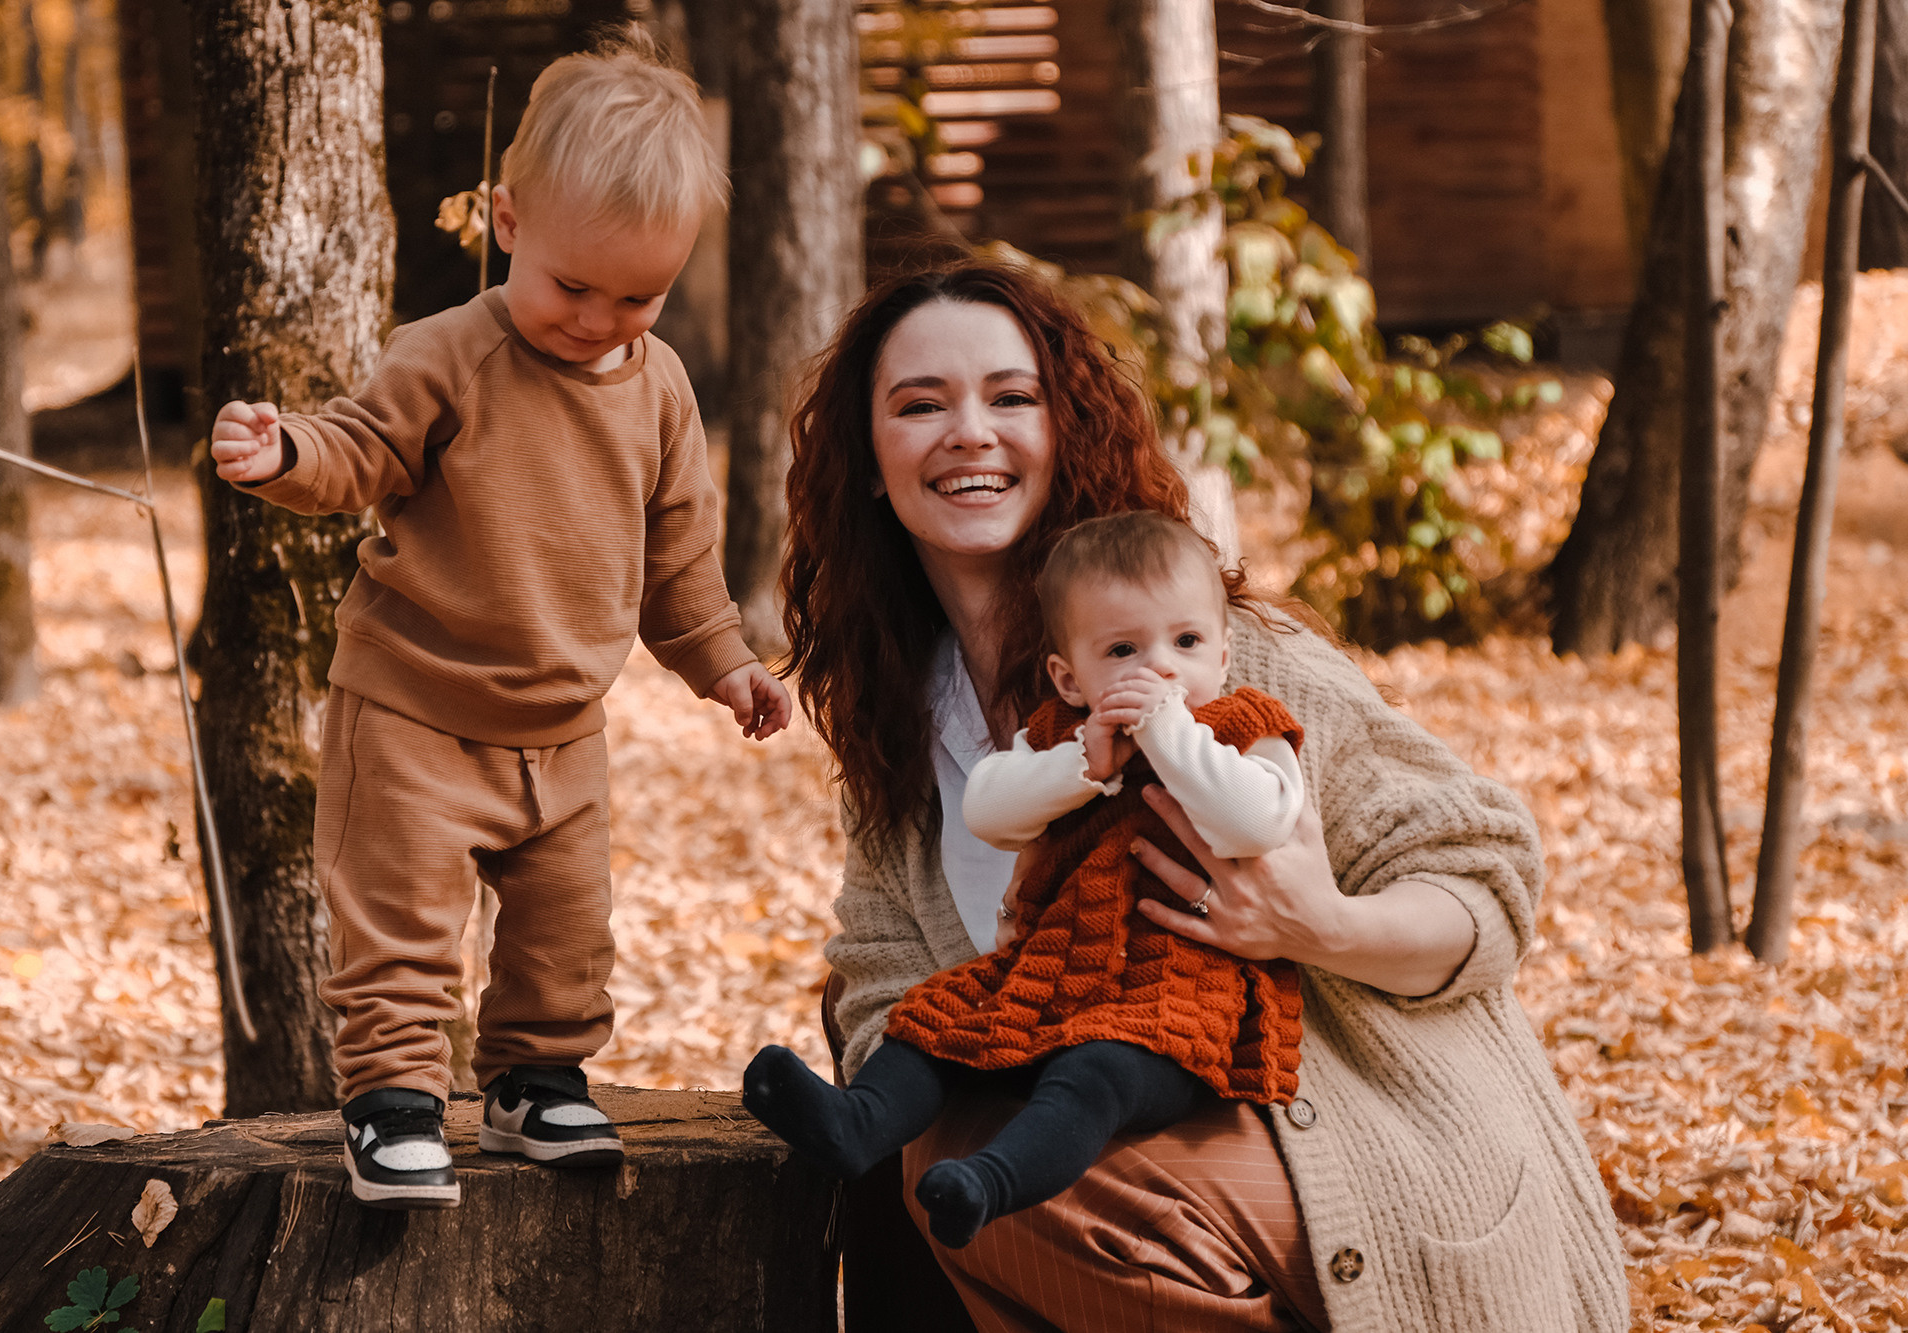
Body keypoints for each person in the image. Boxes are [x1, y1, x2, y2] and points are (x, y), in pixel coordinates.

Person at [777, 258, 1629, 1331]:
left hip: (1361, 1141)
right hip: (1119, 1140)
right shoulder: (902, 734)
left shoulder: (1225, 666)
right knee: (969, 1165)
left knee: (1033, 1189)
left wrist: (1317, 923)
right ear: (869, 461)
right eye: (919, 406)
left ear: (1062, 428)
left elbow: (1484, 879)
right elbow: (872, 986)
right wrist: (1010, 978)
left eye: (1009, 396)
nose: (969, 432)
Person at [208, 32, 791, 1210]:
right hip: (416, 703)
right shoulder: (450, 356)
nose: (598, 319)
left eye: (639, 295)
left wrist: (723, 661)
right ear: (509, 223)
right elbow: (359, 448)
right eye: (574, 287)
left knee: (565, 930)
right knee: (404, 924)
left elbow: (677, 556)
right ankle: (393, 1101)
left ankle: (535, 1079)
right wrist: (282, 453)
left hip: (564, 723)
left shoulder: (660, 386)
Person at [745, 510, 1310, 1249]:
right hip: (1053, 975)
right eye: (1123, 650)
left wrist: (1172, 737)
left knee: (1095, 1071)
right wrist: (1083, 765)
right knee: (935, 1018)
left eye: (1187, 642)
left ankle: (988, 1181)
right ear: (1068, 677)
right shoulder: (1065, 739)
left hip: (1178, 1001)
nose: (1161, 668)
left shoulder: (1245, 728)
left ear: (1225, 651)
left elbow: (1256, 821)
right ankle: (860, 1124)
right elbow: (990, 808)